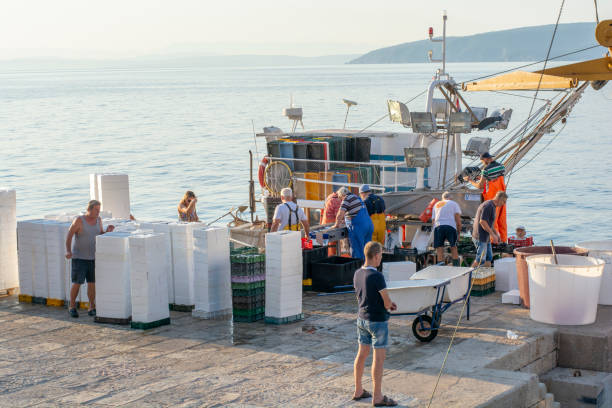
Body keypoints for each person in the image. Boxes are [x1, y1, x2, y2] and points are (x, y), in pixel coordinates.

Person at [352, 241, 397, 407]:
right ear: (376, 256)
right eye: (380, 256)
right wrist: (390, 304)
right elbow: (386, 302)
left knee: (361, 353)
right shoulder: (377, 276)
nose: (380, 260)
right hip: (377, 321)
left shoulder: (357, 273)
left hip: (361, 319)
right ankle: (377, 397)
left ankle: (358, 390)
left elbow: (363, 296)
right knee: (378, 359)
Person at [65, 200, 114, 318]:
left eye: (99, 210)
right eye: (96, 210)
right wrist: (68, 250)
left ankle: (92, 306)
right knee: (77, 282)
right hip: (79, 258)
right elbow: (69, 235)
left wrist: (107, 231)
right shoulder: (79, 220)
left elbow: (100, 234)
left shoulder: (99, 220)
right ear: (90, 209)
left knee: (92, 283)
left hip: (93, 257)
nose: (98, 212)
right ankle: (72, 306)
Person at [464, 152, 507, 243]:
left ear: (486, 159)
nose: (483, 163)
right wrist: (482, 177)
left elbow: (480, 186)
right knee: (502, 221)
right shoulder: (502, 167)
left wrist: (470, 180)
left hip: (493, 198)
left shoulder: (486, 170)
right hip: (502, 197)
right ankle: (503, 241)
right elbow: (494, 178)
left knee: (492, 221)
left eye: (482, 161)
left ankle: (494, 242)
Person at [333, 187, 373, 260]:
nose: (341, 200)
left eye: (340, 198)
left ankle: (358, 268)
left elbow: (340, 214)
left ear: (342, 195)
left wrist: (336, 225)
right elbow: (354, 211)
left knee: (357, 250)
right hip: (369, 225)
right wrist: (345, 220)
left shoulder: (346, 198)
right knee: (367, 249)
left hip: (359, 227)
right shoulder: (357, 197)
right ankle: (369, 268)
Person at [471, 191, 508, 267]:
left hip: (485, 238)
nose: (504, 204)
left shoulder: (492, 206)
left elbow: (490, 224)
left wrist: (496, 233)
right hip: (480, 237)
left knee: (489, 258)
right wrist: (492, 235)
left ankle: (487, 277)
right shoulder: (489, 206)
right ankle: (468, 276)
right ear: (499, 199)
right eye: (504, 201)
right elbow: (483, 222)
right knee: (480, 260)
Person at [432, 191, 462, 266]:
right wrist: (458, 233)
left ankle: (440, 268)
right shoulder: (454, 203)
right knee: (453, 247)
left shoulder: (437, 204)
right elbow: (458, 220)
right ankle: (456, 267)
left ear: (442, 198)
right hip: (450, 226)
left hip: (438, 226)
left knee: (439, 248)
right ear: (450, 198)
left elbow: (433, 220)